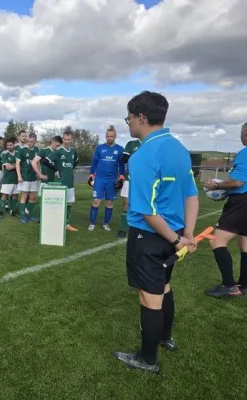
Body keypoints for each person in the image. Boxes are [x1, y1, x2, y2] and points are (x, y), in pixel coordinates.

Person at [113, 91, 199, 373]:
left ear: (141, 117)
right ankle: (165, 337)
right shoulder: (179, 149)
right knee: (163, 287)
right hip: (173, 234)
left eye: (128, 118)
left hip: (149, 238)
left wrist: (177, 239)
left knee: (149, 297)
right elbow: (192, 195)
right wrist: (186, 235)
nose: (128, 124)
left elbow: (147, 211)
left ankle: (147, 359)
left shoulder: (141, 157)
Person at [202, 123, 247, 297]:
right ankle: (244, 284)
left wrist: (217, 185)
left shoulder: (244, 154)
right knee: (245, 243)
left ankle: (229, 285)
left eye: (242, 133)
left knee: (216, 241)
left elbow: (237, 183)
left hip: (241, 202)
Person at [88, 126, 125, 232]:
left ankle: (106, 223)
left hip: (112, 180)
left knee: (109, 203)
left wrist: (121, 176)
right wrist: (91, 174)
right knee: (96, 201)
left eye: (111, 136)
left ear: (115, 136)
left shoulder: (119, 149)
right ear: (105, 136)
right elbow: (94, 162)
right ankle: (92, 223)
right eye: (107, 136)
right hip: (99, 178)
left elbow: (121, 165)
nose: (109, 138)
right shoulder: (99, 148)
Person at [45, 131, 79, 231]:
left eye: (69, 139)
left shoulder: (73, 151)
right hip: (61, 182)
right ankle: (57, 222)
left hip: (70, 182)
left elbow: (76, 162)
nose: (67, 141)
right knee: (59, 204)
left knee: (69, 203)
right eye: (65, 139)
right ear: (62, 139)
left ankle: (67, 224)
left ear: (71, 139)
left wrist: (71, 169)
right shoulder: (58, 151)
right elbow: (45, 161)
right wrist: (56, 170)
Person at [31, 135, 62, 222]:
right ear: (52, 142)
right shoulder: (44, 151)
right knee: (44, 200)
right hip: (45, 180)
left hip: (56, 181)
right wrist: (40, 174)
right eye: (57, 145)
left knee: (54, 201)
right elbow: (34, 162)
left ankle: (51, 218)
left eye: (59, 146)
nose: (58, 147)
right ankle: (41, 219)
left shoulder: (59, 152)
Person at [116, 139, 141, 238]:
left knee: (141, 204)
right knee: (126, 202)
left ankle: (139, 229)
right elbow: (124, 159)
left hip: (144, 180)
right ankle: (123, 228)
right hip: (130, 178)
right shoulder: (131, 144)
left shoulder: (151, 142)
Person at [16, 132, 40, 223]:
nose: (30, 143)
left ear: (35, 141)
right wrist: (19, 176)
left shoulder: (37, 150)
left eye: (32, 141)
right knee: (24, 196)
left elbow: (38, 163)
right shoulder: (22, 150)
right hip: (24, 177)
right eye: (28, 141)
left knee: (33, 197)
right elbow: (17, 163)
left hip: (33, 177)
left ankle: (29, 215)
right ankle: (23, 216)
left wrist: (39, 173)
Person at [0, 137, 19, 218]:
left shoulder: (18, 152)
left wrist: (13, 165)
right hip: (7, 178)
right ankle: (1, 212)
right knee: (4, 195)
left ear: (14, 145)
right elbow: (8, 167)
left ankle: (13, 211)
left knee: (15, 195)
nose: (9, 146)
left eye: (10, 145)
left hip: (16, 178)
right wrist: (16, 165)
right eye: (7, 145)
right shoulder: (4, 153)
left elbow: (19, 165)